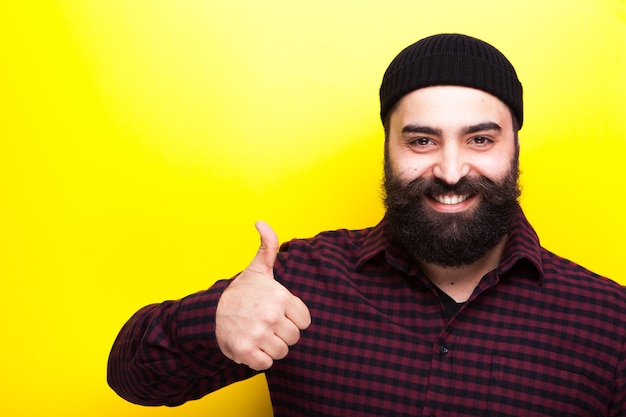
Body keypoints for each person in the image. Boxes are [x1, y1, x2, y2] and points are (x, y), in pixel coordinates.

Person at [107, 34, 626, 416]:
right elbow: (132, 378)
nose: (449, 171)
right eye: (421, 141)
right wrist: (214, 317)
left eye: (480, 140)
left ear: (514, 147)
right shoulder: (300, 281)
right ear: (387, 150)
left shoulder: (610, 323)